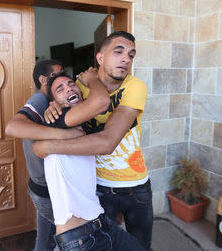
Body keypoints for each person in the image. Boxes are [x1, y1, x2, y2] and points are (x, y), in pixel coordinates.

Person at [34, 31, 153, 250]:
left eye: (131, 54)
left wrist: (48, 146)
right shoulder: (81, 89)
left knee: (141, 245)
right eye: (118, 52)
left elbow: (108, 142)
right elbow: (66, 101)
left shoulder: (135, 86)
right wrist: (56, 105)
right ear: (100, 58)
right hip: (98, 188)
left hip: (135, 186)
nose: (126, 59)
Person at [44, 72, 142, 251]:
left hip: (101, 223)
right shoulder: (57, 119)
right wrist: (92, 80)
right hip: (80, 239)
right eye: (61, 89)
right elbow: (101, 101)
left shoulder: (80, 128)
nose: (69, 88)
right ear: (53, 104)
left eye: (71, 84)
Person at [5, 59, 84, 251]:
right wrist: (67, 135)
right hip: (46, 189)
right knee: (61, 239)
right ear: (43, 79)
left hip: (41, 186)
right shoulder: (40, 99)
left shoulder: (54, 103)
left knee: (45, 237)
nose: (61, 80)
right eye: (55, 76)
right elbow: (12, 126)